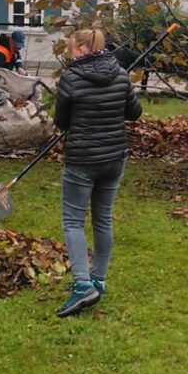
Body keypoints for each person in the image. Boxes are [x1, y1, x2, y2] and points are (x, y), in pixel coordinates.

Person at [52, 29, 142, 318]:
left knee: (73, 221)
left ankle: (83, 285)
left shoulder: (72, 78)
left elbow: (60, 121)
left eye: (72, 49)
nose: (70, 54)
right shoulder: (120, 74)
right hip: (115, 157)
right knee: (102, 219)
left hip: (82, 159)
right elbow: (134, 112)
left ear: (81, 48)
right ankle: (98, 280)